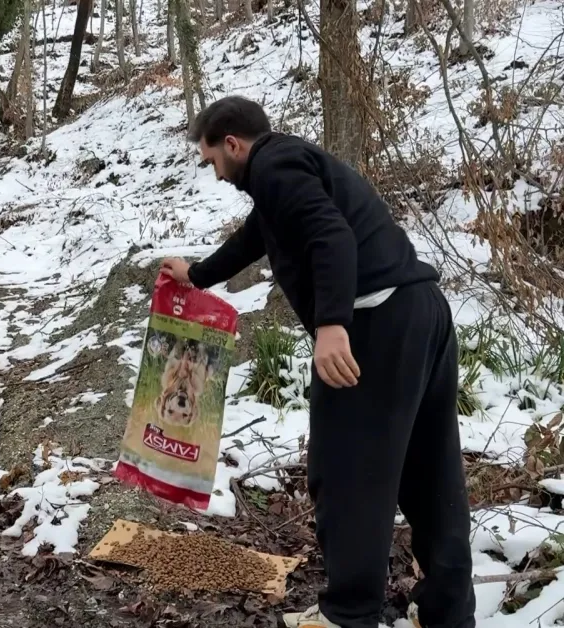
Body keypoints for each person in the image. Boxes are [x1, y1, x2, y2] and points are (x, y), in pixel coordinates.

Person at [158, 96, 475, 628]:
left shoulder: (276, 169)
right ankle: (447, 611)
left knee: (346, 471)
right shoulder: (290, 169)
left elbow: (332, 237)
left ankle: (347, 616)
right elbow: (254, 238)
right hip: (421, 311)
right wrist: (197, 273)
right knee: (430, 471)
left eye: (212, 159)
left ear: (233, 145)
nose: (215, 173)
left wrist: (332, 326)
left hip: (374, 323)